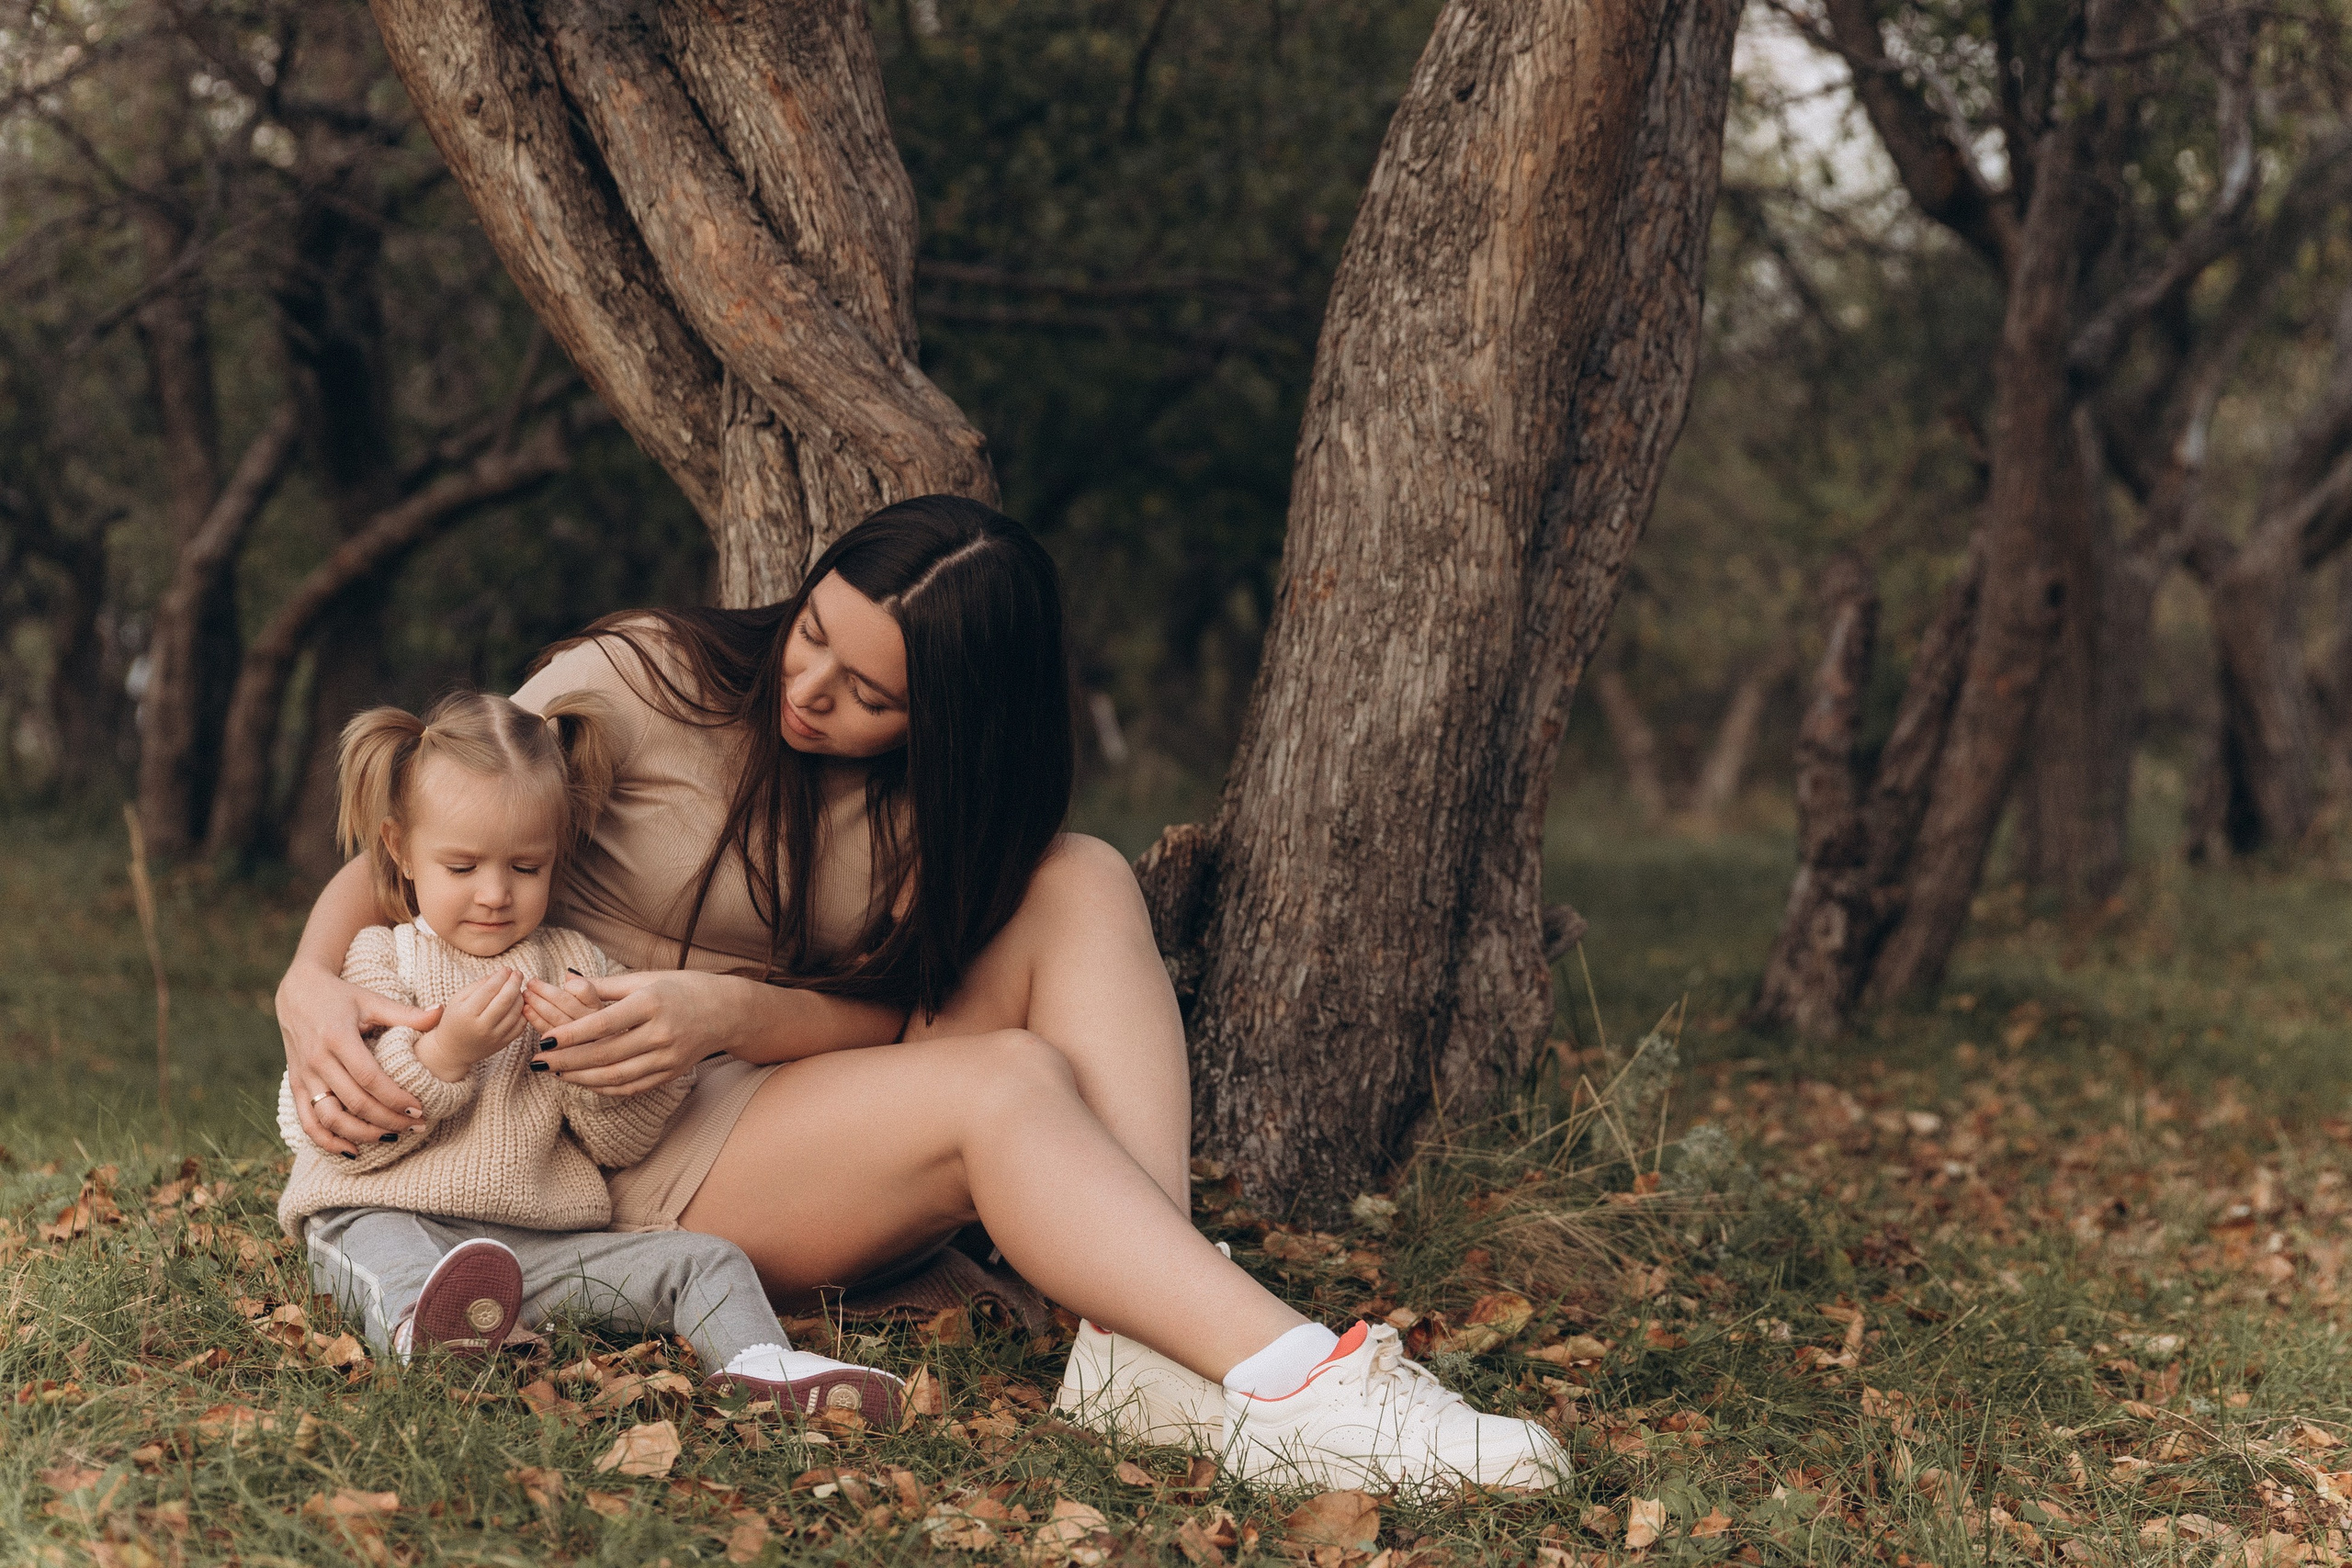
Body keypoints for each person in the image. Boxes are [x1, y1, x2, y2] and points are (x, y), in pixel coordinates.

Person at [277, 495, 1564, 1493]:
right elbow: (424, 827)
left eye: (869, 693)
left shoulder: (922, 819)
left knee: (1079, 876)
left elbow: (887, 1013)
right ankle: (1299, 1375)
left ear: (947, 715)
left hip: (780, 1083)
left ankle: (1153, 1340)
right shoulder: (639, 681)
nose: (809, 688)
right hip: (607, 1137)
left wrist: (725, 1012)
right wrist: (304, 981)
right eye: (815, 633)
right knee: (1005, 1085)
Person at [276, 689, 899, 1422]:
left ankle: (762, 1365)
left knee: (707, 1257)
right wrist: (445, 1053)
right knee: (395, 1256)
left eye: (526, 867)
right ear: (400, 850)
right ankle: (432, 1335)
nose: (495, 894)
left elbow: (617, 1141)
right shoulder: (381, 961)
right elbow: (337, 1139)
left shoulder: (577, 964)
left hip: (531, 1247)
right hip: (383, 1213)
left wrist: (591, 1068)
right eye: (463, 865)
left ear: (557, 856)